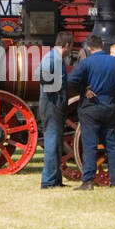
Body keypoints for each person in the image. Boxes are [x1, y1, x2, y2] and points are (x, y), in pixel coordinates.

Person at [67, 34, 115, 190]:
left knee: (90, 145)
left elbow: (71, 79)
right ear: (102, 45)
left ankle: (88, 182)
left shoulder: (86, 62)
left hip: (90, 107)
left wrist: (84, 90)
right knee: (112, 145)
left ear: (88, 47)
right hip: (109, 106)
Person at [36, 31, 73, 188]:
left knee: (57, 143)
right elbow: (40, 74)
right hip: (51, 104)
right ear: (66, 45)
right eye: (71, 46)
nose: (71, 50)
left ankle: (56, 179)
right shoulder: (52, 58)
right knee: (52, 142)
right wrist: (52, 89)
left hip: (55, 104)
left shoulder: (57, 58)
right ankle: (48, 181)